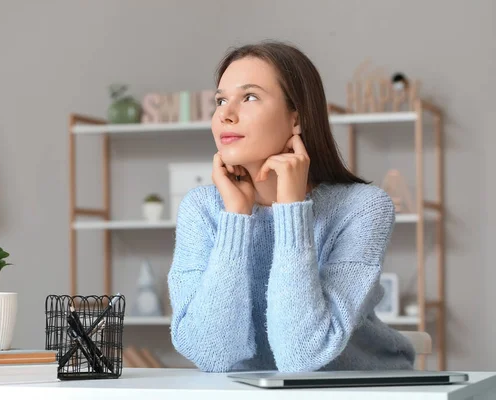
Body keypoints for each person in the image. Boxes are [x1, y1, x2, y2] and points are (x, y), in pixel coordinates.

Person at [167, 40, 416, 373]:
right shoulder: (203, 209)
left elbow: (302, 356)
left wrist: (291, 212)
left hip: (363, 390)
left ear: (296, 117)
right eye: (221, 100)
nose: (225, 114)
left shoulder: (362, 207)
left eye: (250, 96)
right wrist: (236, 219)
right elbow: (213, 353)